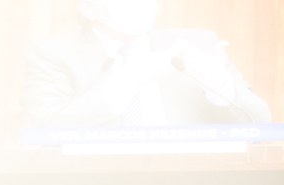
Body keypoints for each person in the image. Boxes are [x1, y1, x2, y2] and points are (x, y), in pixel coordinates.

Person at [21, 0, 272, 128]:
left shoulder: (197, 44)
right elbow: (46, 127)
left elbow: (260, 122)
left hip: (194, 182)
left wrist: (221, 88)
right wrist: (126, 83)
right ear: (87, 8)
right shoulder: (54, 54)